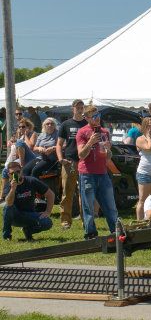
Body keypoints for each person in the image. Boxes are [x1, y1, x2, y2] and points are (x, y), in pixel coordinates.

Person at [75, 105, 119, 239]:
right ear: (87, 118)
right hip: (87, 173)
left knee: (110, 206)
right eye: (94, 117)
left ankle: (116, 232)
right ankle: (91, 234)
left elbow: (108, 157)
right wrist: (90, 143)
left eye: (98, 115)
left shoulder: (105, 132)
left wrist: (109, 150)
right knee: (88, 206)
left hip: (102, 173)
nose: (97, 118)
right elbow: (81, 155)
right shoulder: (82, 132)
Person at [2, 159, 55, 241]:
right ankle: (7, 235)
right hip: (15, 217)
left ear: (21, 171)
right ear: (9, 175)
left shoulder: (31, 181)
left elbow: (50, 194)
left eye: (18, 172)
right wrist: (13, 189)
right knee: (7, 208)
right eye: (12, 173)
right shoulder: (8, 186)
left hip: (30, 215)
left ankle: (28, 231)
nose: (16, 174)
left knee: (47, 222)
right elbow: (9, 203)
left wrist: (48, 212)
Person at [55, 99, 87, 230]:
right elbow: (58, 144)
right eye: (78, 107)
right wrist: (61, 158)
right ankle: (65, 221)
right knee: (67, 192)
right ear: (72, 109)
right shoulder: (66, 124)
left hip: (85, 161)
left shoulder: (87, 124)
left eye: (82, 107)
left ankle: (86, 220)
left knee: (85, 192)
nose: (80, 110)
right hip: (69, 161)